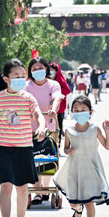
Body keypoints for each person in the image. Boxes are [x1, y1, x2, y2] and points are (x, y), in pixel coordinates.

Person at [0, 59, 46, 217]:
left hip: (24, 148)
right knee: (6, 186)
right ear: (6, 79)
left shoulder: (28, 98)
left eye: (22, 76)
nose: (20, 79)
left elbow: (38, 114)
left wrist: (41, 126)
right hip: (3, 149)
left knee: (22, 187)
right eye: (16, 76)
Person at [53, 96, 109, 217]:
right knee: (73, 202)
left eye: (83, 110)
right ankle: (77, 210)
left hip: (91, 169)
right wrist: (68, 151)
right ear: (71, 112)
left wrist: (107, 131)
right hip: (74, 168)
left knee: (89, 201)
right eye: (76, 110)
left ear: (90, 112)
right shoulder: (69, 130)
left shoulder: (94, 129)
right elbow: (65, 148)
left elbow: (107, 146)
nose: (79, 112)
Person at [25, 57, 63, 204]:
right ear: (30, 71)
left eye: (40, 68)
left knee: (49, 159)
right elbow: (24, 101)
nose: (37, 70)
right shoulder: (27, 86)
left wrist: (54, 110)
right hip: (31, 128)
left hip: (50, 127)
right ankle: (38, 192)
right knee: (35, 159)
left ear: (46, 69)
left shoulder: (53, 84)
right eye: (34, 69)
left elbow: (57, 98)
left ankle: (46, 189)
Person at [49, 62, 72, 151]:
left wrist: (57, 93)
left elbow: (67, 90)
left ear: (57, 71)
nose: (51, 72)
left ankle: (57, 145)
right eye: (50, 70)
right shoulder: (45, 79)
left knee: (58, 125)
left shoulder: (61, 80)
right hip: (47, 107)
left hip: (59, 108)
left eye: (53, 70)